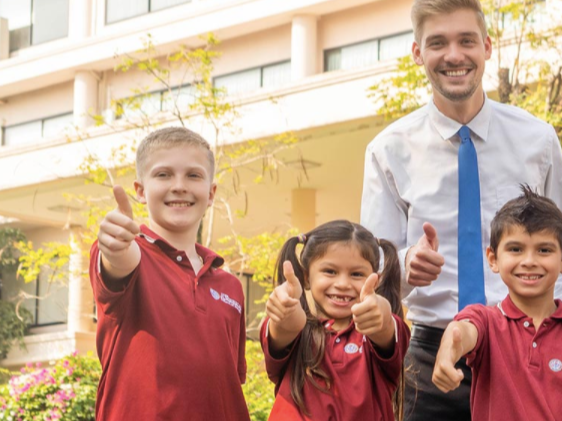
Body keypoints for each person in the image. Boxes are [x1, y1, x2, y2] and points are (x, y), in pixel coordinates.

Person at [359, 0, 562, 418]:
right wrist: (406, 265)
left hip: (526, 347)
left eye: (466, 40)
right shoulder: (388, 150)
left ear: (486, 46)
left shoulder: (536, 140)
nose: (454, 55)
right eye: (437, 43)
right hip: (430, 361)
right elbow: (372, 269)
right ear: (418, 53)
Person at [89, 127, 250, 420]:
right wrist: (114, 245)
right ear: (139, 190)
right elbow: (119, 261)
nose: (179, 186)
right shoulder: (131, 253)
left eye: (193, 175)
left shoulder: (231, 287)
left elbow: (227, 382)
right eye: (163, 175)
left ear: (212, 193)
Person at [431, 187, 562, 420]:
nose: (529, 261)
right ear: (493, 259)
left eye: (544, 250)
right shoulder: (486, 322)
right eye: (515, 249)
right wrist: (447, 353)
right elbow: (461, 330)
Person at [260, 220, 410, 420]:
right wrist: (286, 307)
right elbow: (289, 325)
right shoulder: (297, 329)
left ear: (376, 279)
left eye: (357, 274)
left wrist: (380, 310)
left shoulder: (375, 332)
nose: (342, 284)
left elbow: (383, 324)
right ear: (306, 276)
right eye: (330, 271)